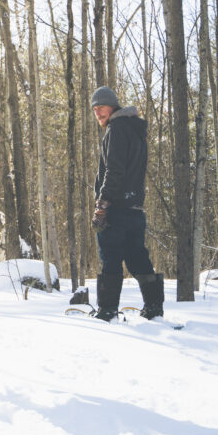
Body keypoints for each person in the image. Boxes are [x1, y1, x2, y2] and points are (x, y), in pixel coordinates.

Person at [90, 86, 164, 321]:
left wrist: (102, 204)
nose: (98, 113)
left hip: (116, 208)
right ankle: (154, 308)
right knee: (137, 257)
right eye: (94, 109)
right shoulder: (135, 130)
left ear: (112, 106)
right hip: (134, 208)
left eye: (101, 107)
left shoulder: (117, 129)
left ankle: (107, 310)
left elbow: (114, 170)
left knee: (110, 257)